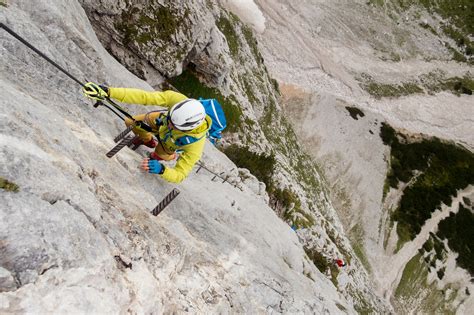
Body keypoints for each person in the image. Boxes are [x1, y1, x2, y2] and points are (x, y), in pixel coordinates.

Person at [82, 82, 212, 184]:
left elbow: (180, 175)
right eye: (171, 119)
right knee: (131, 122)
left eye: (175, 125)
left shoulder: (195, 145)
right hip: (160, 121)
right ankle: (148, 140)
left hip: (169, 144)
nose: (171, 125)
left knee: (158, 155)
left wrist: (162, 170)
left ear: (189, 128)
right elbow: (144, 97)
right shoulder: (177, 100)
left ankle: (166, 155)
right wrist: (108, 92)